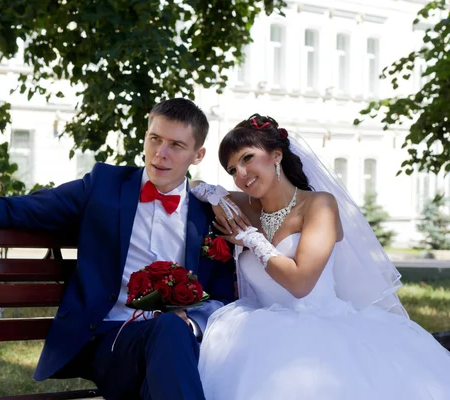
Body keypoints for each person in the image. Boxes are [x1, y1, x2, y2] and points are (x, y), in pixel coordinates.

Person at [0, 98, 235, 400]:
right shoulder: (104, 187)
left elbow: (223, 295)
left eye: (176, 145)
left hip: (176, 347)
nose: (160, 153)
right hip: (111, 341)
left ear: (198, 155)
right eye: (154, 139)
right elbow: (24, 208)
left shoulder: (207, 216)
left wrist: (192, 323)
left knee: (172, 341)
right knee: (171, 339)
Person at [191, 114, 450, 400]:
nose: (240, 174)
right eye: (232, 170)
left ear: (276, 155)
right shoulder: (248, 208)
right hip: (259, 329)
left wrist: (251, 239)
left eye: (247, 158)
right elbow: (196, 185)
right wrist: (214, 197)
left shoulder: (319, 205)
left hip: (322, 329)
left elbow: (301, 283)